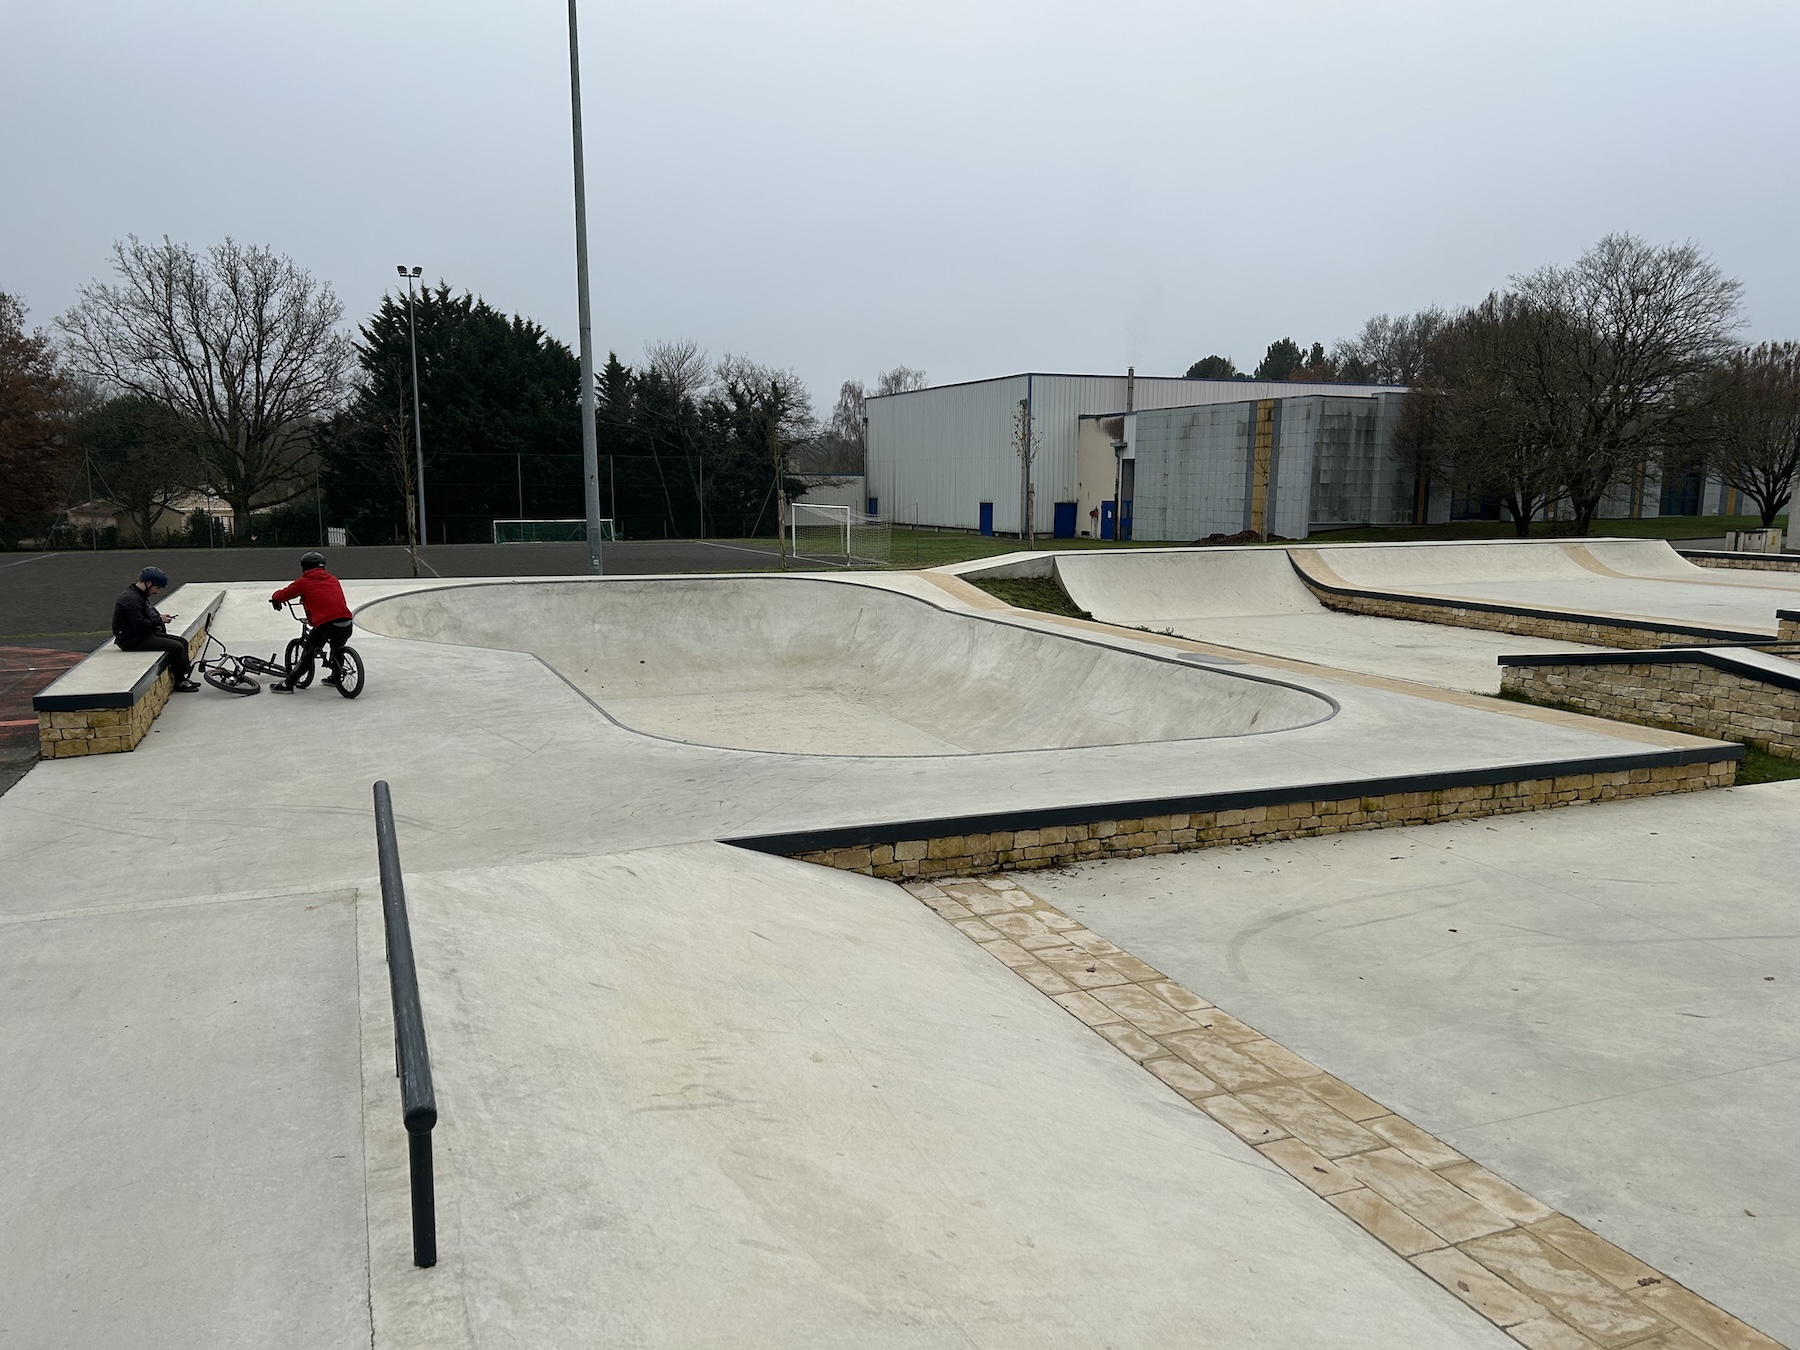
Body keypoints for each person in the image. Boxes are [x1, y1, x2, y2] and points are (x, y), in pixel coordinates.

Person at [268, 551, 354, 693]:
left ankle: (288, 685)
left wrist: (276, 598)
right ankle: (336, 676)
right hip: (346, 621)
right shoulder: (333, 579)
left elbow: (283, 594)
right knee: (337, 648)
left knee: (308, 654)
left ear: (304, 567)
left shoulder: (303, 582)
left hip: (325, 624)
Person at [112, 566, 200, 692]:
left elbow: (142, 617)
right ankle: (180, 682)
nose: (157, 592)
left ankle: (185, 677)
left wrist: (159, 617)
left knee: (182, 642)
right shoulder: (130, 598)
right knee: (177, 647)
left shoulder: (137, 595)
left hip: (140, 634)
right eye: (157, 588)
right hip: (130, 640)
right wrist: (159, 620)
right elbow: (138, 625)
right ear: (148, 583)